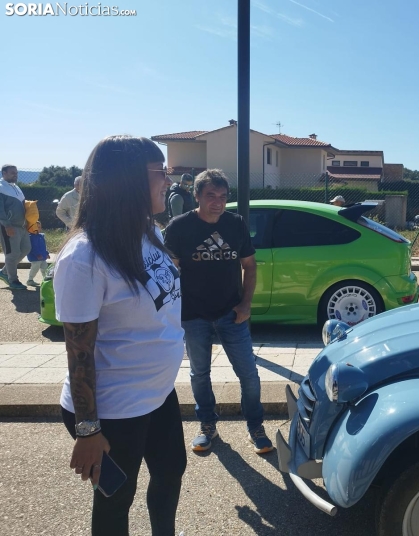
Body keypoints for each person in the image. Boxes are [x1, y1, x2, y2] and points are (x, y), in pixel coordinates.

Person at [54, 135, 185, 536]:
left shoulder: (150, 232)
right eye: (159, 172)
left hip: (157, 392)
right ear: (127, 180)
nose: (168, 180)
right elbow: (79, 354)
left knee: (170, 472)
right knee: (115, 500)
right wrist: (88, 430)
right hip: (113, 409)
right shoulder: (85, 258)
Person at [164, 169, 273, 454]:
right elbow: (169, 271)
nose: (217, 202)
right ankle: (207, 427)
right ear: (197, 195)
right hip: (193, 315)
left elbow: (249, 266)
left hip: (231, 313)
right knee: (200, 374)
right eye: (210, 195)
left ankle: (255, 427)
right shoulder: (179, 227)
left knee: (248, 374)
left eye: (223, 196)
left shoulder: (235, 224)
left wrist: (246, 304)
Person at [0, 164, 32, 290]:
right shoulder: (1, 188)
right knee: (12, 254)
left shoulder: (16, 188)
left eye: (16, 172)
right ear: (4, 173)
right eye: (12, 172)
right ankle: (13, 280)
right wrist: (7, 225)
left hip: (22, 226)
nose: (16, 174)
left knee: (26, 249)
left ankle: (3, 272)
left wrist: (31, 220)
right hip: (9, 226)